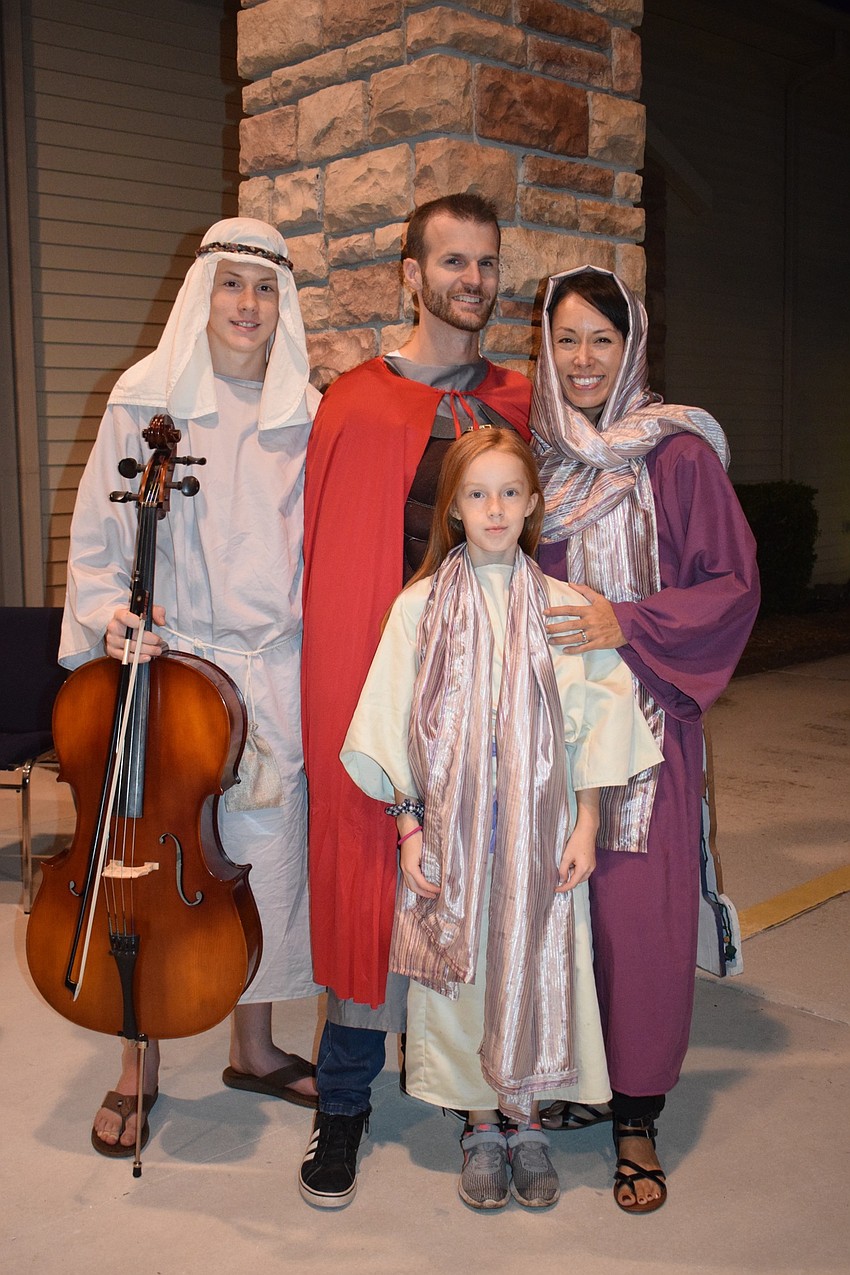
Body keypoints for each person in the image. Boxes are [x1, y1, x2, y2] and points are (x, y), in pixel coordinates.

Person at [339, 430, 663, 1210]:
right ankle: (480, 1122)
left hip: (540, 835)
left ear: (532, 504)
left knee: (538, 966)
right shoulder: (418, 609)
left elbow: (592, 718)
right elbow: (392, 725)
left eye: (510, 492)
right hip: (451, 837)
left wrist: (587, 824)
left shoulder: (561, 605)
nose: (494, 508)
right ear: (452, 507)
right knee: (464, 977)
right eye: (477, 493)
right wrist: (409, 829)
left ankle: (527, 1117)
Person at [59, 218, 322, 1157]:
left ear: (282, 302)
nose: (247, 305)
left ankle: (251, 1045)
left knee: (254, 862)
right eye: (232, 285)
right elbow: (98, 538)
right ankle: (139, 1060)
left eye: (265, 288)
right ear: (203, 292)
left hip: (270, 671)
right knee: (149, 857)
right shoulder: (146, 398)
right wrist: (109, 615)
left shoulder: (307, 409)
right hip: (170, 673)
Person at [299, 194, 532, 1207]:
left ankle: (482, 1101)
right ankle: (342, 1108)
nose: (470, 279)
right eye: (451, 261)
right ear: (411, 273)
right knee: (366, 891)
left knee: (481, 891)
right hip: (375, 681)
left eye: (484, 263)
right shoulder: (353, 399)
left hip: (486, 699)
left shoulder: (520, 399)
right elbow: (315, 550)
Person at [530, 265, 760, 1213]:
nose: (584, 360)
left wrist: (626, 621)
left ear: (633, 348)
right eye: (569, 339)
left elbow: (731, 585)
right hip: (547, 736)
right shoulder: (535, 460)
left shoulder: (675, 457)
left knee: (639, 923)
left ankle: (637, 1112)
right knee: (558, 918)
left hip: (649, 735)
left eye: (603, 340)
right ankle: (579, 1079)